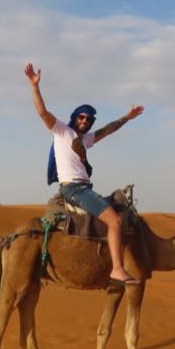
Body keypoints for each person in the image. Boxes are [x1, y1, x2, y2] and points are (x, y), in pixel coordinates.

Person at [25, 62, 145, 285]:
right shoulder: (63, 131)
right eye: (81, 117)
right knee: (116, 221)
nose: (84, 121)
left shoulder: (86, 139)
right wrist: (35, 86)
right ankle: (117, 269)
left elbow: (107, 130)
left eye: (88, 119)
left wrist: (127, 117)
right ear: (74, 117)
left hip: (85, 187)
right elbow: (42, 112)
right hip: (74, 188)